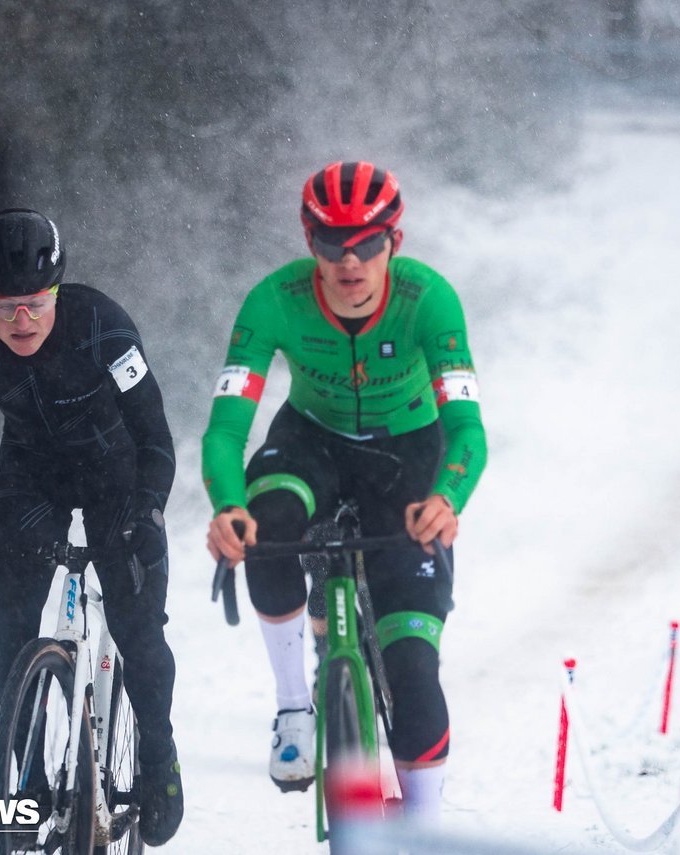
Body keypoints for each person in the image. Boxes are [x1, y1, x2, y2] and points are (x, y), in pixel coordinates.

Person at [202, 161, 487, 819]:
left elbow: (468, 427)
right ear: (311, 243)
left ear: (396, 241)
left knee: (414, 675)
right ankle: (294, 707)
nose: (350, 259)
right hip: (311, 441)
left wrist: (448, 496)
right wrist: (226, 505)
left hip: (408, 457)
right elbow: (224, 431)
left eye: (368, 242)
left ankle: (420, 829)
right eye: (332, 243)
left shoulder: (429, 299)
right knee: (264, 524)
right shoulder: (273, 300)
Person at [0, 209, 183, 845]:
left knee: (136, 624)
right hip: (30, 474)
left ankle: (158, 756)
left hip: (115, 472)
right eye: (6, 306)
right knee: (13, 631)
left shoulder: (102, 326)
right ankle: (30, 779)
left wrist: (150, 510)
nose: (23, 321)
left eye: (36, 304)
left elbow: (155, 437)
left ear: (57, 292)